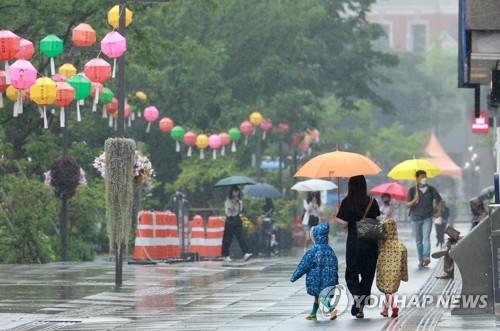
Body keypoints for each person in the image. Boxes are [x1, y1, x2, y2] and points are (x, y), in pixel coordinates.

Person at [335, 175, 380, 319]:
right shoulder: (372, 201)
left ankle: (357, 297)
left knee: (352, 273)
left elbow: (344, 225)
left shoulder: (347, 202)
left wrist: (336, 217)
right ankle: (361, 307)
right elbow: (378, 221)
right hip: (370, 243)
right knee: (368, 274)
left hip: (354, 243)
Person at [291, 223, 338, 321]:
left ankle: (332, 310)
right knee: (318, 296)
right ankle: (313, 314)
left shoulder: (314, 250)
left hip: (316, 278)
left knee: (321, 295)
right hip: (328, 277)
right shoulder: (329, 249)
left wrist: (295, 276)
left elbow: (304, 264)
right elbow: (335, 264)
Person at [406, 170, 442, 269]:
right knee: (418, 240)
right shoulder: (412, 190)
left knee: (426, 237)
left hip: (428, 217)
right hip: (416, 218)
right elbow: (407, 205)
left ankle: (426, 256)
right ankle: (421, 260)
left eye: (425, 177)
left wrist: (439, 211)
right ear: (417, 178)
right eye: (421, 177)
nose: (424, 179)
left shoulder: (431, 189)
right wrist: (414, 200)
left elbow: (439, 200)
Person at [376, 218, 408, 318]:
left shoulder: (381, 244)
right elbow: (404, 263)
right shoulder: (401, 246)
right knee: (389, 290)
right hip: (395, 272)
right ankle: (385, 310)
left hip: (383, 270)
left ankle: (394, 306)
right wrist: (404, 275)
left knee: (387, 290)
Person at [221, 186, 253, 262]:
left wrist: (237, 202)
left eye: (237, 191)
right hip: (230, 219)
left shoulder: (239, 201)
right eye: (234, 191)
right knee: (228, 238)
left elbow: (240, 210)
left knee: (241, 237)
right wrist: (233, 203)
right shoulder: (228, 200)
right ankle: (226, 255)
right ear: (231, 192)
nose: (236, 193)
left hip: (237, 219)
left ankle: (246, 253)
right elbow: (229, 210)